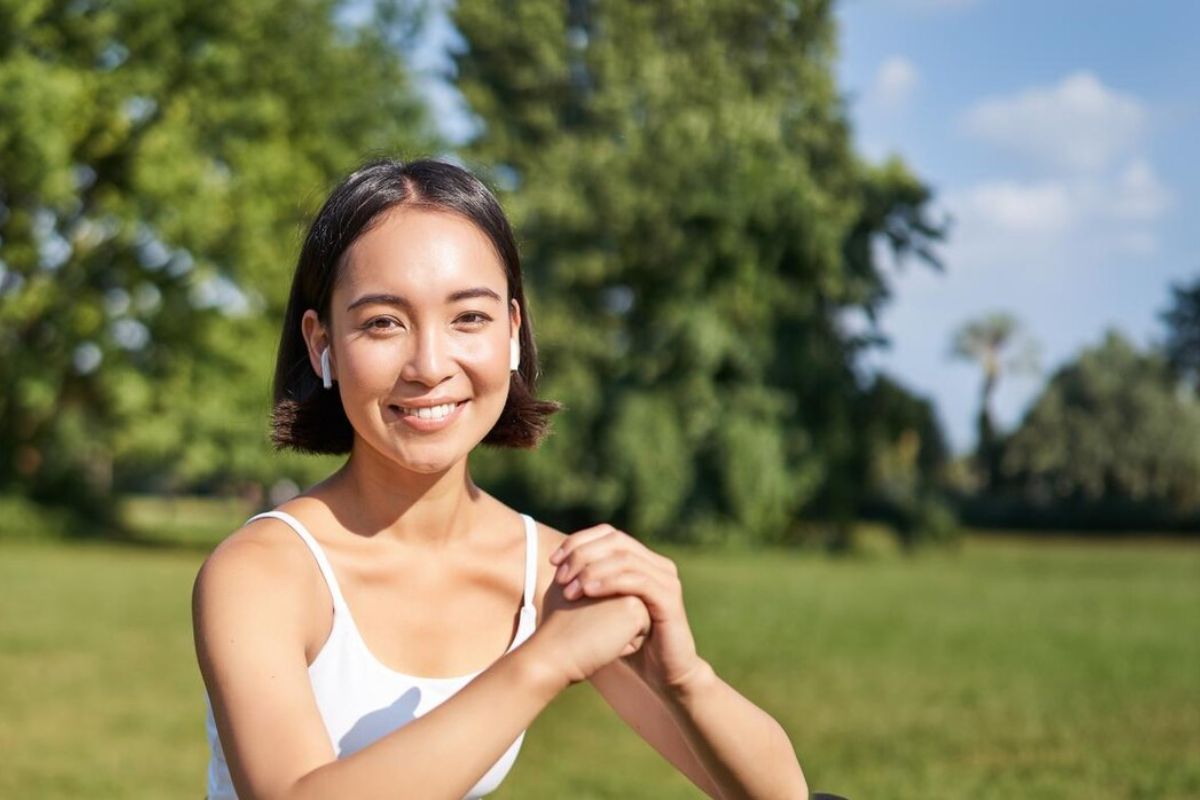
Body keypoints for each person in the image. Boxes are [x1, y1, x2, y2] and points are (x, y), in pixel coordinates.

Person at [192, 158, 810, 799]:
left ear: (513, 333)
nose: (430, 366)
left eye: (469, 318)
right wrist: (542, 663)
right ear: (323, 346)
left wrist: (684, 679)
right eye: (383, 322)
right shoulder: (263, 571)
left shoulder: (550, 573)